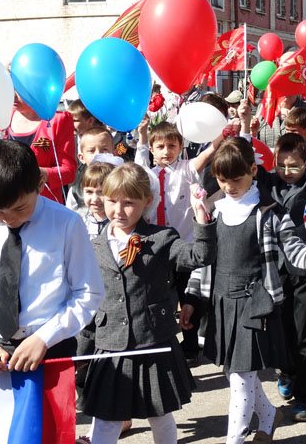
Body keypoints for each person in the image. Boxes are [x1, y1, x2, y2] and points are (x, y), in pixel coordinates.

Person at [182, 137, 306, 444]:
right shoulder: (214, 211)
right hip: (222, 303)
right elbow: (202, 260)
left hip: (255, 305)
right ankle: (269, 415)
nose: (229, 186)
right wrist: (191, 298)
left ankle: (236, 440)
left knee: (241, 381)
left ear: (253, 171)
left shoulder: (270, 212)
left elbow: (295, 250)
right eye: (222, 180)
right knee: (235, 374)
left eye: (236, 179)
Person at [0, 140, 104, 443]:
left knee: (48, 435)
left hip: (50, 351)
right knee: (5, 435)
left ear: (40, 183)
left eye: (20, 208)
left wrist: (44, 338)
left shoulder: (67, 224)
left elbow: (88, 293)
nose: (10, 219)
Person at [79, 162, 215, 444]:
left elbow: (199, 256)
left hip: (152, 341)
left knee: (160, 415)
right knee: (105, 420)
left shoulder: (162, 238)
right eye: (112, 201)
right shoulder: (92, 246)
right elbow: (90, 303)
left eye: (128, 203)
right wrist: (80, 350)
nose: (118, 210)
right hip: (110, 346)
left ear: (147, 202)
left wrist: (202, 217)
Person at [134, 119, 220, 365]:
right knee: (160, 297)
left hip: (184, 245)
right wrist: (141, 135)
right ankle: (163, 343)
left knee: (188, 297)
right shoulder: (148, 174)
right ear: (152, 149)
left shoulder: (187, 168)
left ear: (181, 146)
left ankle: (191, 346)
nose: (166, 151)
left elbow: (208, 152)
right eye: (160, 146)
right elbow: (139, 164)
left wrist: (222, 134)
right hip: (156, 246)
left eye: (172, 145)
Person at [264, 133, 306, 422]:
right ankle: (286, 372)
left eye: (294, 166)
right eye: (282, 165)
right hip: (274, 271)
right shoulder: (268, 182)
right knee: (282, 330)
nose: (287, 172)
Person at [7, 93, 77, 204]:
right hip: (6, 203)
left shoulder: (57, 120)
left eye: (19, 91)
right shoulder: (4, 116)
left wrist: (39, 173)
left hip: (43, 206)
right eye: (11, 90)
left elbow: (69, 172)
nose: (13, 96)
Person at [66, 126, 116, 211]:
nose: (98, 154)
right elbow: (70, 217)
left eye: (104, 149)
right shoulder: (76, 191)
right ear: (81, 157)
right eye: (91, 151)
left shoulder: (121, 183)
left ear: (113, 153)